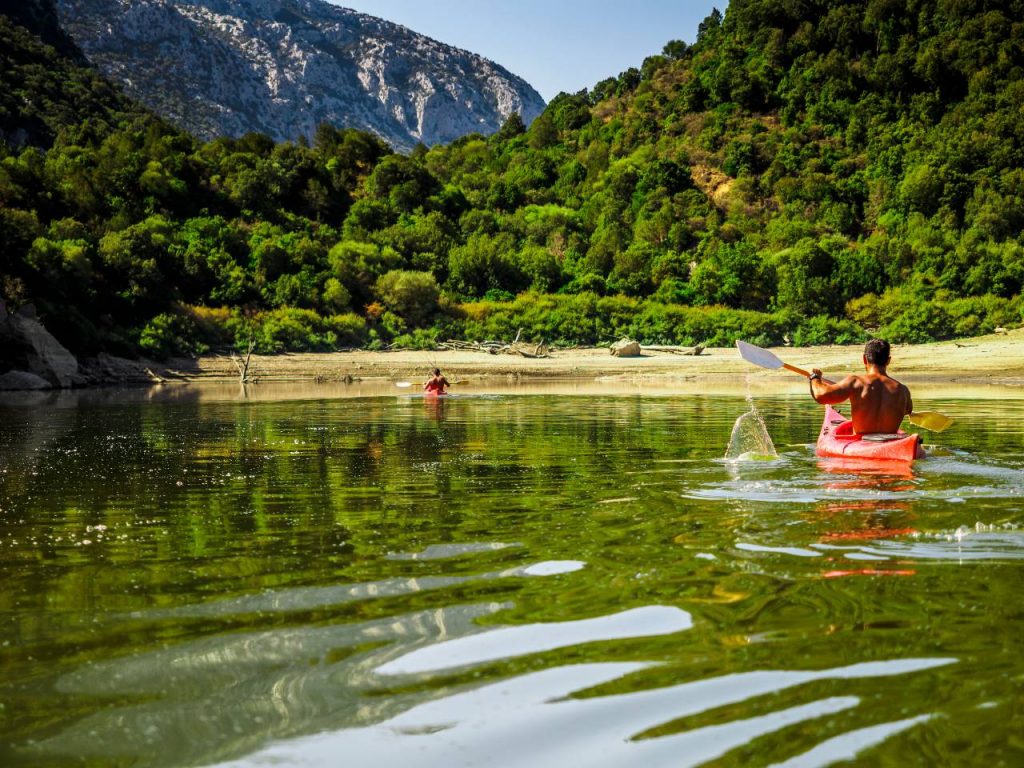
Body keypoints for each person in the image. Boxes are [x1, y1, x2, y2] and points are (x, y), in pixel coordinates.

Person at [808, 339, 912, 434]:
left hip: (861, 443)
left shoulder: (856, 382)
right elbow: (908, 410)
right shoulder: (903, 390)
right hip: (891, 443)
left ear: (864, 359)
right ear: (888, 360)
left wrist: (815, 378)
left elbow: (820, 395)